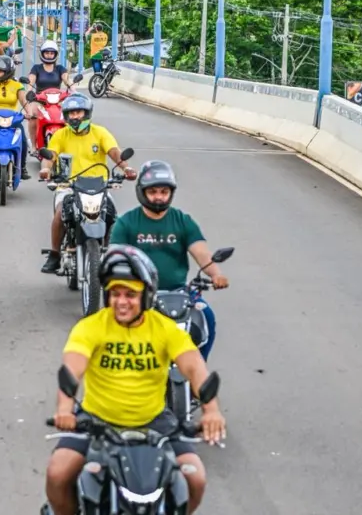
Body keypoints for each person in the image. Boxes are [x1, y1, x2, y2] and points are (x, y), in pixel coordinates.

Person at [44, 245, 227, 515]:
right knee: (58, 474)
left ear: (146, 295)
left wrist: (211, 411)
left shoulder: (164, 328)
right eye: (115, 293)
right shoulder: (90, 327)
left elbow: (194, 367)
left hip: (156, 423)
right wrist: (64, 409)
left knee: (195, 478)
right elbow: (72, 369)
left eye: (130, 294)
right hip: (96, 421)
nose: (121, 301)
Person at [110, 161, 229, 361]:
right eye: (153, 191)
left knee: (206, 316)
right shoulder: (126, 222)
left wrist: (216, 274)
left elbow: (201, 253)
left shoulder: (182, 221)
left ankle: (197, 369)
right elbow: (114, 258)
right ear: (142, 192)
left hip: (179, 293)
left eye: (164, 192)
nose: (159, 197)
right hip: (137, 294)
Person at [38, 94, 136, 273]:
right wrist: (46, 169)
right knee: (60, 213)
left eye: (78, 112)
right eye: (71, 113)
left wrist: (126, 168)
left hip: (98, 186)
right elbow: (50, 156)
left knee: (112, 214)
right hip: (69, 186)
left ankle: (108, 252)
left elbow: (114, 152)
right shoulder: (60, 135)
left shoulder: (100, 132)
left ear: (87, 113)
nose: (75, 117)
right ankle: (55, 255)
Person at [26, 40, 73, 148]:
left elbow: (67, 80)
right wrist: (29, 91)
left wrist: (73, 90)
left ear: (55, 54)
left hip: (58, 100)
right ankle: (33, 146)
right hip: (39, 99)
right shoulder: (36, 68)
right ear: (42, 54)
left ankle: (69, 144)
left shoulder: (60, 68)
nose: (49, 55)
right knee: (32, 117)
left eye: (52, 53)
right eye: (47, 53)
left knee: (70, 117)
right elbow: (31, 82)